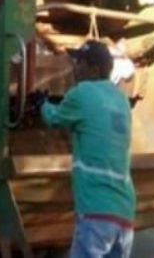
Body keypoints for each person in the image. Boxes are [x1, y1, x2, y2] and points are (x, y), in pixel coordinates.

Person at [39, 40, 136, 258]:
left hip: (95, 212)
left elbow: (54, 118)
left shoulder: (81, 93)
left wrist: (41, 104)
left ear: (95, 69)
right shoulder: (121, 100)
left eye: (80, 62)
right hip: (124, 216)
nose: (74, 67)